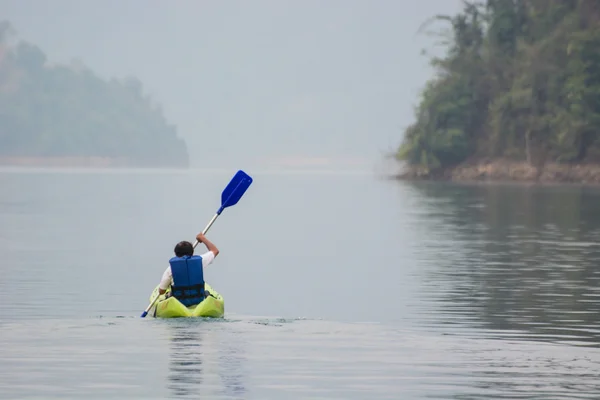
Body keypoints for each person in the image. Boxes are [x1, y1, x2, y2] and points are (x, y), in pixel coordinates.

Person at [158, 232, 219, 307]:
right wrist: (203, 238)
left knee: (168, 294)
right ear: (192, 252)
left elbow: (161, 291)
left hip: (178, 302)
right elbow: (215, 250)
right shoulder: (200, 261)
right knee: (206, 293)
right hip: (198, 299)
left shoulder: (170, 269)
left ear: (176, 254)